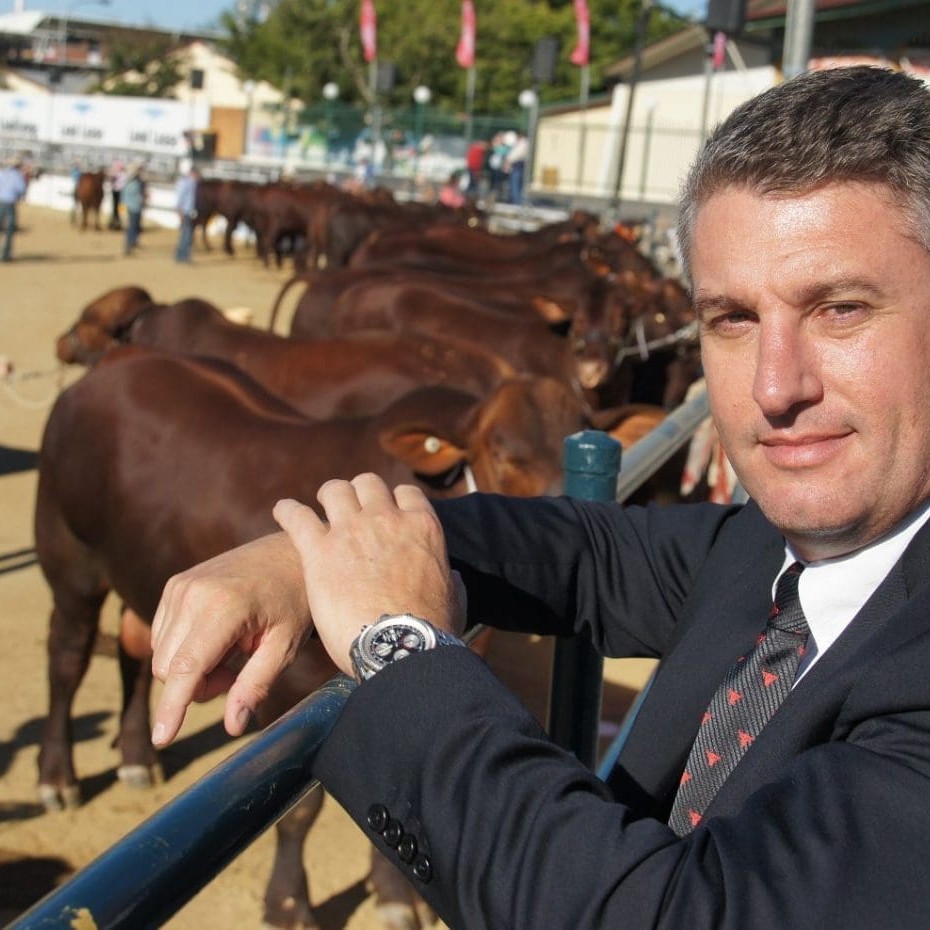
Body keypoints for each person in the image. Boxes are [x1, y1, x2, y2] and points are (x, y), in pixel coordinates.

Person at [150, 66, 930, 928]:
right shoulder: (791, 549)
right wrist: (309, 553)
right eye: (733, 319)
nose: (776, 387)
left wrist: (398, 649)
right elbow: (588, 552)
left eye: (841, 309)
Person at [0, 156, 27, 262]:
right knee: (10, 229)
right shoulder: (17, 176)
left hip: (0, 201)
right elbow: (21, 189)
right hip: (10, 203)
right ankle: (5, 254)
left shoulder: (3, 173)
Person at [173, 164, 200, 263]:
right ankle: (182, 256)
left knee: (186, 234)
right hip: (185, 211)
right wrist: (179, 212)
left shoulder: (190, 183)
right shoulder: (186, 183)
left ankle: (181, 255)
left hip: (188, 211)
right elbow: (180, 199)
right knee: (186, 234)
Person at [121, 162, 145, 257]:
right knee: (132, 227)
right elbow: (125, 198)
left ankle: (131, 243)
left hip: (133, 207)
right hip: (133, 207)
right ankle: (129, 245)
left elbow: (123, 198)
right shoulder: (134, 183)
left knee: (132, 226)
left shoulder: (131, 182)